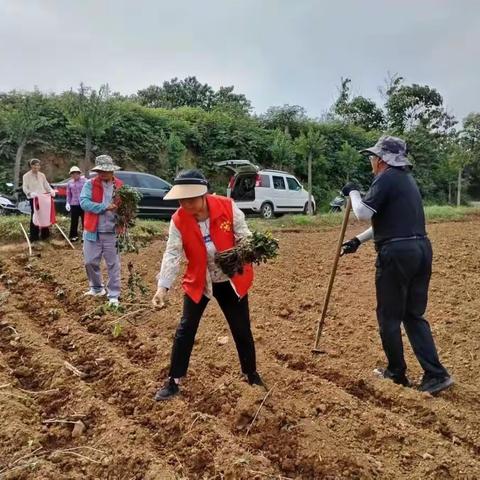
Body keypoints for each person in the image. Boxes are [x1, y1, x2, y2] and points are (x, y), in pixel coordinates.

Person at [341, 135, 453, 395]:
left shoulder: (386, 177)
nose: (371, 161)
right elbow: (389, 223)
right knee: (413, 315)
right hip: (420, 249)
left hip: (397, 254)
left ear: (381, 160)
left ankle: (396, 374)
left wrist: (353, 192)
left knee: (388, 317)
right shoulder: (406, 180)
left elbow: (363, 213)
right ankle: (436, 374)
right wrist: (358, 240)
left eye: (372, 157)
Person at [152, 169, 264, 401]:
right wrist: (162, 287)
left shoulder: (227, 207)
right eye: (182, 199)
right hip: (199, 280)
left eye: (191, 199)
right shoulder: (178, 220)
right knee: (186, 329)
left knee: (241, 328)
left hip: (229, 278)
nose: (186, 204)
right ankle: (173, 381)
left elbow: (244, 236)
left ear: (203, 194)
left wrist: (245, 252)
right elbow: (172, 254)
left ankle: (251, 374)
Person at [80, 155, 123, 305]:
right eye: (100, 171)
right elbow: (84, 203)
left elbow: (126, 207)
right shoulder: (90, 184)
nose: (103, 174)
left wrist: (125, 217)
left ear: (112, 171)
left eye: (106, 171)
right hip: (93, 230)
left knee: (113, 264)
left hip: (112, 231)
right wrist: (103, 207)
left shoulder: (120, 186)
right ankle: (97, 288)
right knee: (90, 261)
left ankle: (113, 295)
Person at [22, 158, 55, 242]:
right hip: (34, 198)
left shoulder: (42, 175)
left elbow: (46, 184)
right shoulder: (26, 176)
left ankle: (45, 236)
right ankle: (34, 237)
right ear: (31, 166)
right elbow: (24, 187)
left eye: (38, 165)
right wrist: (29, 193)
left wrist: (51, 190)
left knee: (44, 215)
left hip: (43, 198)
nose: (37, 167)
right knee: (35, 216)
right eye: (35, 165)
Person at [66, 166, 87, 241]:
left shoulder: (85, 181)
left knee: (85, 220)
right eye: (72, 174)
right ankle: (73, 236)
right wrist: (67, 203)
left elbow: (88, 192)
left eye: (76, 173)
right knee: (74, 220)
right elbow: (68, 194)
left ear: (79, 173)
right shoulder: (69, 183)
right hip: (74, 204)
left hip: (84, 204)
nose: (74, 175)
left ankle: (85, 236)